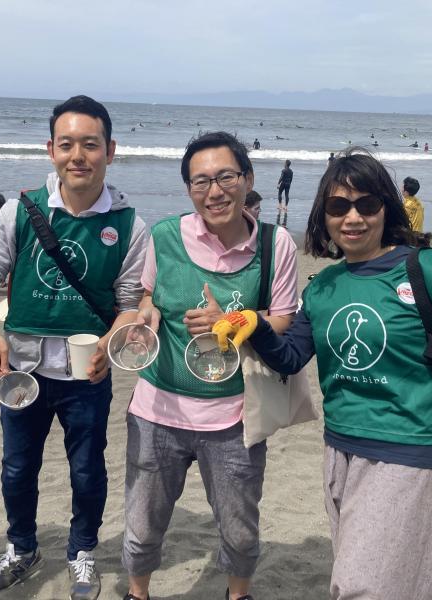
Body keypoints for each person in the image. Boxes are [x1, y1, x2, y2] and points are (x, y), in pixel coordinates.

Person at [229, 149, 432, 599]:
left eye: (367, 204)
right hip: (340, 452)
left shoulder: (429, 270)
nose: (353, 218)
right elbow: (292, 357)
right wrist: (255, 326)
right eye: (339, 207)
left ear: (386, 208)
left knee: (362, 587)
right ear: (324, 216)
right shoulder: (322, 287)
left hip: (414, 452)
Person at [0, 95, 148, 600]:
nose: (78, 156)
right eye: (67, 144)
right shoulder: (21, 211)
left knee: (87, 468)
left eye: (90, 144)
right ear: (51, 149)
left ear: (111, 150)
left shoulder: (130, 224)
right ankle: (22, 547)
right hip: (21, 370)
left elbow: (130, 302)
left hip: (86, 376)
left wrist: (111, 342)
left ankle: (82, 551)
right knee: (17, 467)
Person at [122, 132, 297, 600]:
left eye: (225, 177)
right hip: (156, 409)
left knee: (240, 529)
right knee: (142, 524)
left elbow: (282, 318)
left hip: (235, 415)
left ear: (248, 179)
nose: (214, 192)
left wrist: (234, 319)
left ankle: (237, 594)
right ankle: (137, 593)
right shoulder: (163, 236)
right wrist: (146, 316)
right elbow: (147, 296)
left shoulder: (274, 245)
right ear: (188, 189)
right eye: (200, 182)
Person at [276, 159, 293, 225]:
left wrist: (278, 183)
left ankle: (280, 205)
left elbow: (281, 177)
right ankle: (285, 206)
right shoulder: (291, 171)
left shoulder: (284, 170)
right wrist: (289, 183)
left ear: (286, 164)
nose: (284, 164)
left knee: (280, 193)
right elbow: (291, 178)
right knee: (287, 194)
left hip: (283, 183)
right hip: (288, 183)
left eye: (284, 163)